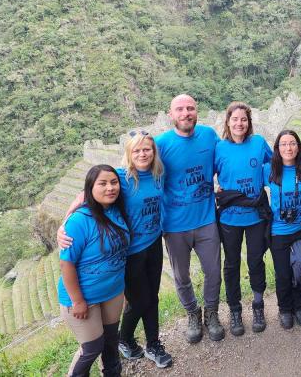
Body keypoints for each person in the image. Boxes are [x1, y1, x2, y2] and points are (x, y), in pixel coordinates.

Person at [58, 133, 173, 367]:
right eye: (137, 150)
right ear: (129, 154)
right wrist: (64, 223)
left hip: (153, 243)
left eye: (147, 149)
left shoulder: (158, 174)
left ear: (154, 152)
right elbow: (84, 196)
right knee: (140, 301)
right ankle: (126, 339)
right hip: (130, 252)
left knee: (152, 297)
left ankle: (151, 344)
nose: (142, 154)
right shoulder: (120, 177)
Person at [155, 94, 224, 342]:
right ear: (171, 114)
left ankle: (211, 313)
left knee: (213, 272)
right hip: (174, 225)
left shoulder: (209, 136)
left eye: (190, 108)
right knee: (181, 276)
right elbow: (134, 169)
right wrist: (86, 196)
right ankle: (193, 313)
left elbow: (226, 158)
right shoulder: (161, 144)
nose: (186, 113)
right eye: (180, 109)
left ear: (196, 111)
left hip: (206, 220)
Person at [58, 165, 130, 377]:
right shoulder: (79, 220)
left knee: (111, 340)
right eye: (103, 183)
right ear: (90, 188)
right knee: (92, 348)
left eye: (114, 182)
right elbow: (66, 264)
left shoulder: (117, 211)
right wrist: (78, 301)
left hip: (113, 291)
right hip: (84, 297)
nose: (110, 188)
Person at [214, 102, 273, 336]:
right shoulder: (219, 148)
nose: (239, 123)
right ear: (228, 122)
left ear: (249, 123)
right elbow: (207, 176)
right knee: (231, 264)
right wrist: (215, 190)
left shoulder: (258, 143)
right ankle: (235, 309)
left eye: (244, 119)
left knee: (256, 260)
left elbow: (276, 163)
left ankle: (258, 305)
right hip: (230, 217)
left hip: (256, 216)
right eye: (235, 119)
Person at [264, 130, 301, 329]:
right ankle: (285, 309)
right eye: (284, 144)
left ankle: (299, 307)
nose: (288, 148)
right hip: (279, 230)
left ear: (298, 147)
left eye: (293, 143)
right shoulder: (268, 170)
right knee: (283, 273)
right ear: (277, 148)